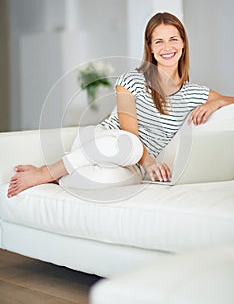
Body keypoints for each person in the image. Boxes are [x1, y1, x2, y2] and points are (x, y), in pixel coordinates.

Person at [8, 12, 234, 198]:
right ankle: (44, 173)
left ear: (183, 43)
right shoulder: (131, 80)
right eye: (159, 41)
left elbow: (230, 100)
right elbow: (129, 133)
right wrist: (150, 163)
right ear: (151, 48)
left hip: (132, 167)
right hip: (102, 141)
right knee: (130, 144)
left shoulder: (194, 93)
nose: (167, 47)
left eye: (173, 39)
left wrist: (218, 102)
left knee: (108, 182)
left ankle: (61, 175)